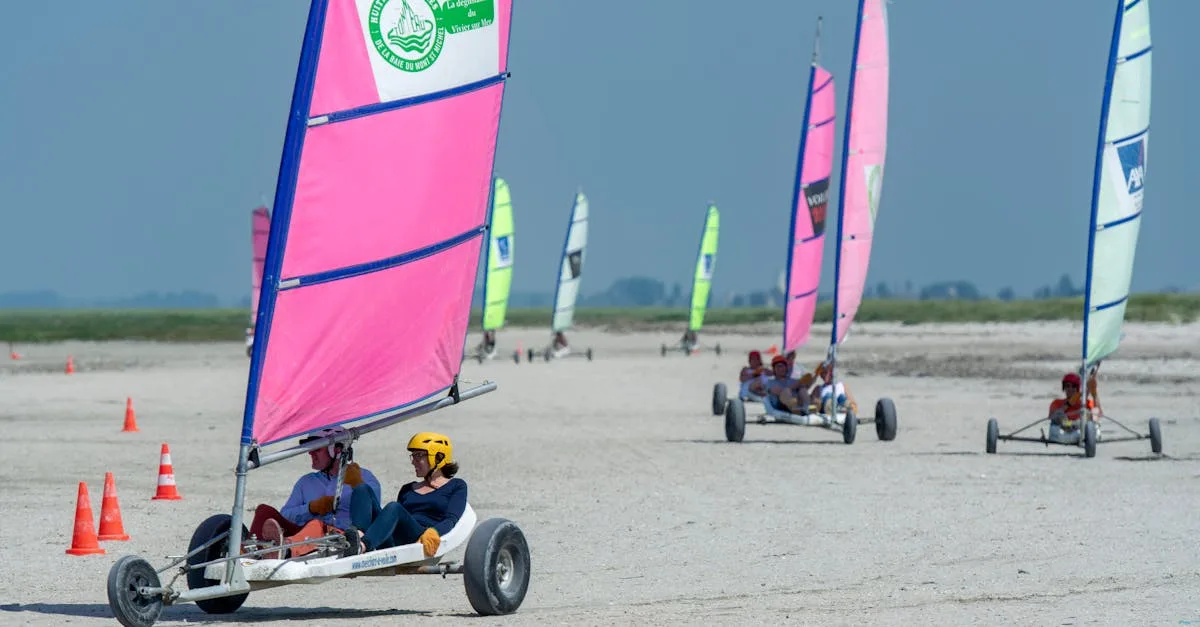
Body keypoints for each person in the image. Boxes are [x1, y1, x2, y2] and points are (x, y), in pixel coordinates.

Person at [249, 426, 382, 559]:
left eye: (317, 449)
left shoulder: (365, 477)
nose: (310, 453)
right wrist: (311, 508)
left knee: (315, 525)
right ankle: (247, 552)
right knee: (263, 511)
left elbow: (376, 514)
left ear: (337, 450)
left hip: (340, 536)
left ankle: (286, 550)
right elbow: (285, 515)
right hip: (305, 534)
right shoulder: (306, 482)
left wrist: (357, 484)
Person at [342, 432, 468, 559]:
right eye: (413, 456)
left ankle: (362, 546)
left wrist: (434, 532)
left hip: (418, 537)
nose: (413, 462)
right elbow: (396, 521)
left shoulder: (456, 486)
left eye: (419, 455)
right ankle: (357, 538)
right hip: (392, 539)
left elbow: (451, 520)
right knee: (362, 489)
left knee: (394, 508)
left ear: (439, 458)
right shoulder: (407, 489)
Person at [1048, 372, 1100, 440]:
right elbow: (1052, 416)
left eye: (1073, 386)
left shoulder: (1086, 403)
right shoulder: (1057, 402)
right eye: (1068, 386)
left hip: (1081, 427)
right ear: (1064, 387)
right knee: (1059, 414)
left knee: (1091, 412)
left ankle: (1078, 426)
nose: (1070, 389)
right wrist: (1068, 404)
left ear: (1077, 388)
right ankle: (1071, 425)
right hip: (1064, 427)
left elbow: (1097, 414)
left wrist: (1094, 394)